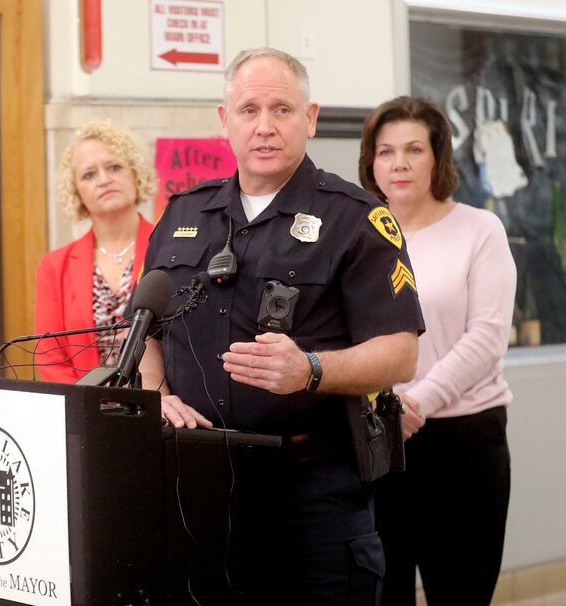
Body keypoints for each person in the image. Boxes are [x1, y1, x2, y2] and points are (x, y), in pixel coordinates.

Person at [137, 48, 425, 604]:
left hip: (313, 491)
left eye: (282, 110)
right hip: (197, 487)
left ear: (310, 118)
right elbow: (145, 328)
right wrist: (157, 392)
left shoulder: (358, 218)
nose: (264, 127)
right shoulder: (182, 214)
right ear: (225, 122)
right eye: (248, 110)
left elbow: (399, 353)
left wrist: (310, 370)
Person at [359, 96, 516, 606]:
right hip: (379, 440)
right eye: (385, 152)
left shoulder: (478, 229)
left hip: (463, 441)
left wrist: (416, 402)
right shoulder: (359, 236)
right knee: (384, 592)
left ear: (438, 158)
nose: (398, 163)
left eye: (413, 149)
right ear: (371, 162)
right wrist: (386, 407)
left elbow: (487, 337)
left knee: (461, 592)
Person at [34, 120, 157, 383]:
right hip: (83, 411)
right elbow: (50, 358)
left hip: (160, 408)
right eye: (89, 174)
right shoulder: (55, 266)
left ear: (135, 173)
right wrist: (88, 408)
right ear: (76, 192)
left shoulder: (171, 249)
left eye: (114, 167)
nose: (104, 179)